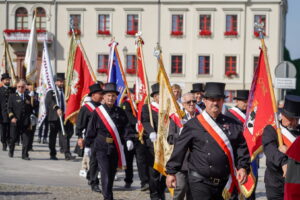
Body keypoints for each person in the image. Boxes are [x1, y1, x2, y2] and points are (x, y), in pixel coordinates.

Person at [166, 82, 250, 200]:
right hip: (199, 182)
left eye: (219, 99)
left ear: (223, 101)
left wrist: (243, 167)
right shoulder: (193, 125)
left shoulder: (233, 124)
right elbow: (180, 149)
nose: (215, 103)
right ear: (204, 101)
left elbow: (241, 147)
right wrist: (171, 172)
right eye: (211, 99)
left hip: (224, 183)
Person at [85, 83, 135, 200]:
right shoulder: (98, 112)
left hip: (115, 146)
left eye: (113, 96)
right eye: (108, 95)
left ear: (116, 97)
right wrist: (87, 145)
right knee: (105, 172)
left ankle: (108, 193)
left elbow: (126, 127)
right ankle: (108, 197)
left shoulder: (120, 111)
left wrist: (128, 139)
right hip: (101, 145)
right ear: (104, 97)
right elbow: (91, 129)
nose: (111, 98)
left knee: (112, 173)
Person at [262, 95, 300, 200]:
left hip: (296, 183)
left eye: (296, 119)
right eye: (290, 118)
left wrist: (288, 151)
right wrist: (283, 161)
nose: (294, 122)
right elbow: (270, 150)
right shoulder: (271, 130)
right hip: (276, 183)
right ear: (282, 115)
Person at [167, 92, 198, 200]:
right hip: (181, 160)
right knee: (180, 189)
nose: (191, 104)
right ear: (183, 104)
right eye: (188, 102)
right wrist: (181, 133)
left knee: (193, 192)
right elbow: (170, 138)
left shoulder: (201, 117)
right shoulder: (176, 118)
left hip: (197, 161)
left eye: (194, 101)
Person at [76, 83, 103, 193]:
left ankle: (90, 175)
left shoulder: (102, 107)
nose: (101, 96)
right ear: (93, 95)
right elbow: (80, 124)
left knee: (99, 162)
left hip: (102, 138)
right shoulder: (86, 108)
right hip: (91, 138)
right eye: (99, 94)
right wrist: (79, 137)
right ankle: (94, 182)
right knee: (94, 161)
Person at [121, 88, 149, 190]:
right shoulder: (126, 104)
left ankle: (144, 182)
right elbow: (127, 118)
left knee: (141, 161)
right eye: (133, 94)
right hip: (129, 137)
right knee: (128, 161)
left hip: (139, 137)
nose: (134, 96)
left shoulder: (140, 105)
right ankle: (128, 180)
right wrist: (136, 122)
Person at [142, 83, 166, 200]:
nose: (159, 97)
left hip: (166, 143)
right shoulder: (148, 108)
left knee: (165, 171)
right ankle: (154, 195)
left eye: (161, 95)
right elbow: (145, 121)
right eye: (157, 95)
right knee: (154, 171)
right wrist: (151, 131)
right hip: (153, 142)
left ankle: (161, 191)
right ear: (154, 96)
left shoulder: (167, 107)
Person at [45, 73, 75, 160]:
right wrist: (57, 108)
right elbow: (49, 102)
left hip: (64, 117)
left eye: (63, 81)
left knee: (64, 135)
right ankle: (53, 153)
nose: (62, 83)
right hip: (54, 118)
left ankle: (67, 154)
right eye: (60, 82)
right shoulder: (51, 92)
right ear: (55, 82)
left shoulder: (66, 92)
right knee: (53, 136)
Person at [8, 79, 35, 160]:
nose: (20, 88)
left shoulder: (29, 97)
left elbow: (32, 109)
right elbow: (9, 108)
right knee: (13, 139)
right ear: (17, 87)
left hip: (25, 122)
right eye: (19, 87)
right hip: (15, 121)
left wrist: (35, 100)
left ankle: (25, 154)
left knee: (26, 140)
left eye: (22, 87)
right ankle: (11, 150)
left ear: (25, 87)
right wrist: (12, 117)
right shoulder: (12, 96)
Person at [0, 73, 14, 151]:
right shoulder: (0, 90)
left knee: (10, 129)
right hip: (3, 113)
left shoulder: (12, 90)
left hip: (11, 113)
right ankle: (4, 142)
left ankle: (9, 141)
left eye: (8, 80)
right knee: (3, 129)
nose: (7, 81)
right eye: (6, 80)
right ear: (2, 81)